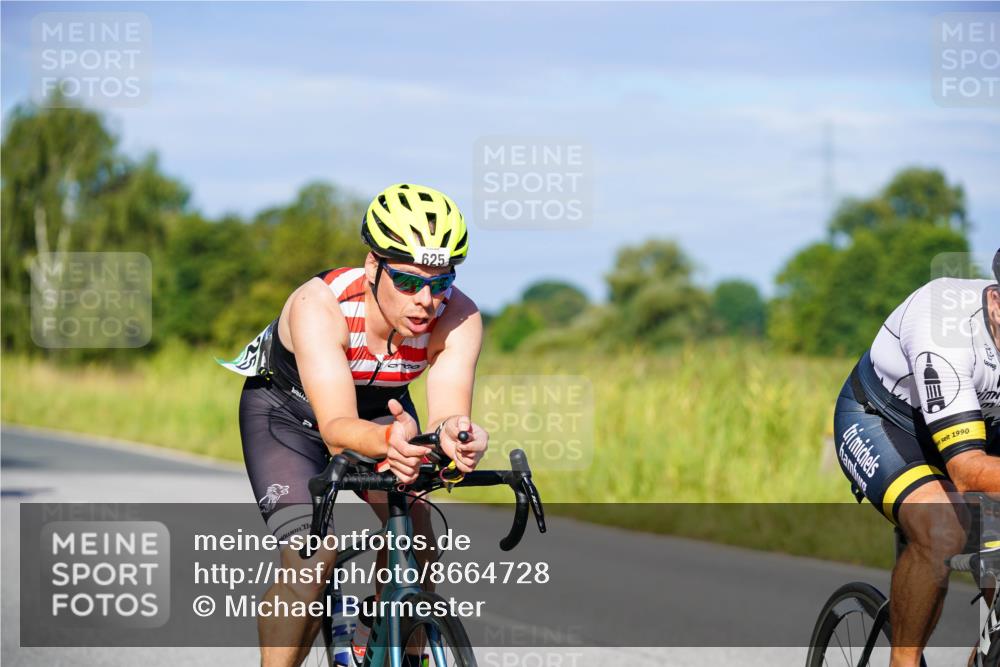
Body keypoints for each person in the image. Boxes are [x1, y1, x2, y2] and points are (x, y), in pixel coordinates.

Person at [220, 183, 489, 667]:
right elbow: (336, 426)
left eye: (440, 282)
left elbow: (447, 413)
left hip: (380, 410)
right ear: (372, 266)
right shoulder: (319, 305)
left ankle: (379, 642)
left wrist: (457, 436)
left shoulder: (460, 316)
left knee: (417, 533)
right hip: (287, 414)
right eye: (407, 281)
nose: (426, 301)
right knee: (312, 559)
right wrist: (389, 440)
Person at [832, 248, 1000, 666]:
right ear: (996, 302)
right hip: (888, 423)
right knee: (943, 528)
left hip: (983, 427)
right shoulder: (946, 329)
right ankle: (903, 661)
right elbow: (967, 472)